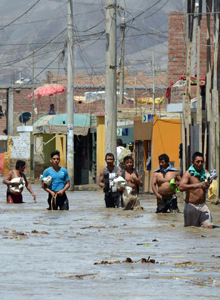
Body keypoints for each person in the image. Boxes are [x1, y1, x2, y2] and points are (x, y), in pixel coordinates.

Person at [179, 152, 213, 228]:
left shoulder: (205, 172)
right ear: (192, 162)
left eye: (202, 161)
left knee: (209, 227)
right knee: (191, 230)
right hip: (191, 206)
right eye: (197, 161)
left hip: (203, 205)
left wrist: (208, 184)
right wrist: (196, 185)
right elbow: (181, 187)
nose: (200, 164)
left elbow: (207, 186)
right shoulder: (188, 173)